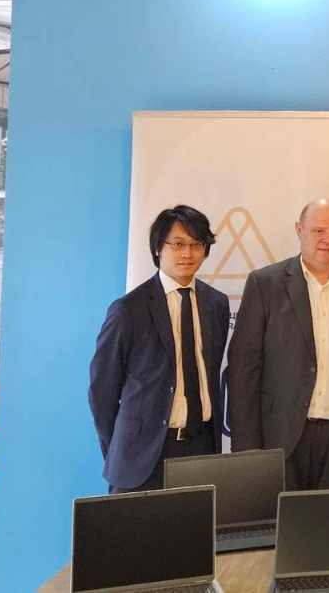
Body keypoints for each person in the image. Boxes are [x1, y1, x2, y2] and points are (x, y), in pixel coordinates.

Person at [227, 198, 329, 491]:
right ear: (299, 230)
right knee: (278, 515)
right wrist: (246, 443)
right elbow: (243, 369)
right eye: (318, 230)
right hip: (280, 432)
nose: (328, 239)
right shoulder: (265, 284)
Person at [89, 205, 230, 492]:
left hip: (202, 448)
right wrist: (121, 449)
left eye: (196, 245)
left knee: (195, 523)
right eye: (177, 244)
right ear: (158, 249)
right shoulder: (128, 309)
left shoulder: (216, 303)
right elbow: (102, 391)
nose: (187, 253)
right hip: (143, 456)